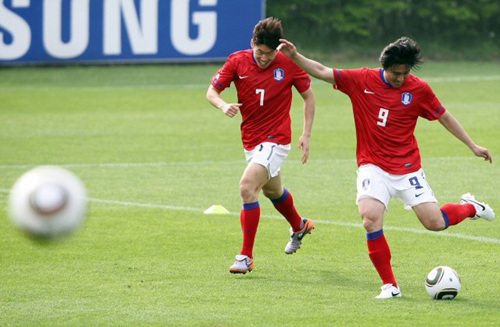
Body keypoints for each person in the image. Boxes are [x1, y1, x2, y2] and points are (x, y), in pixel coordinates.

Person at [279, 36, 495, 298]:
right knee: (370, 218)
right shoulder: (362, 80)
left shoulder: (419, 89)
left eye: (405, 73)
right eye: (396, 72)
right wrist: (295, 56)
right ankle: (390, 286)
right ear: (385, 66)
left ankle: (471, 206)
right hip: (373, 165)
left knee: (434, 222)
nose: (400, 78)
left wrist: (472, 145)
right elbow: (324, 72)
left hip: (407, 168)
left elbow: (444, 117)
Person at [206, 17, 316, 274]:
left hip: (276, 140)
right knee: (272, 192)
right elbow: (211, 91)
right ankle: (299, 225)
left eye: (269, 53)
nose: (264, 58)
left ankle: (245, 257)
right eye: (260, 52)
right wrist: (223, 105)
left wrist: (306, 134)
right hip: (251, 140)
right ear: (252, 42)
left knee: (247, 187)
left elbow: (308, 97)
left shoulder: (289, 62)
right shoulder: (237, 60)